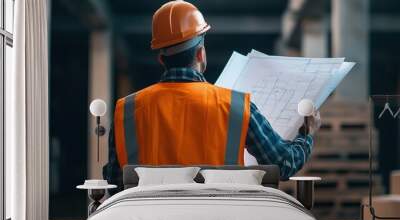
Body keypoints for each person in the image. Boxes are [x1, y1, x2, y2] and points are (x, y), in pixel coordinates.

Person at [103, 0, 321, 192]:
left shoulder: (127, 109)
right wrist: (306, 134)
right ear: (200, 53)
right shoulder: (235, 105)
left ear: (162, 59)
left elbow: (115, 182)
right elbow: (283, 163)